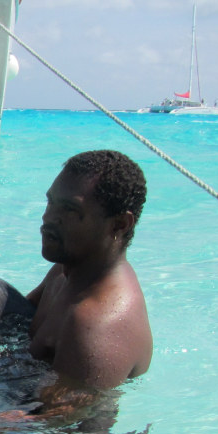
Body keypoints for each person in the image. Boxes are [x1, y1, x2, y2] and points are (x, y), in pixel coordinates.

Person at [27, 149, 152, 389]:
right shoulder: (63, 272)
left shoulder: (98, 325)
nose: (48, 217)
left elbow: (54, 421)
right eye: (50, 202)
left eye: (70, 209)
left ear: (119, 224)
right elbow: (12, 318)